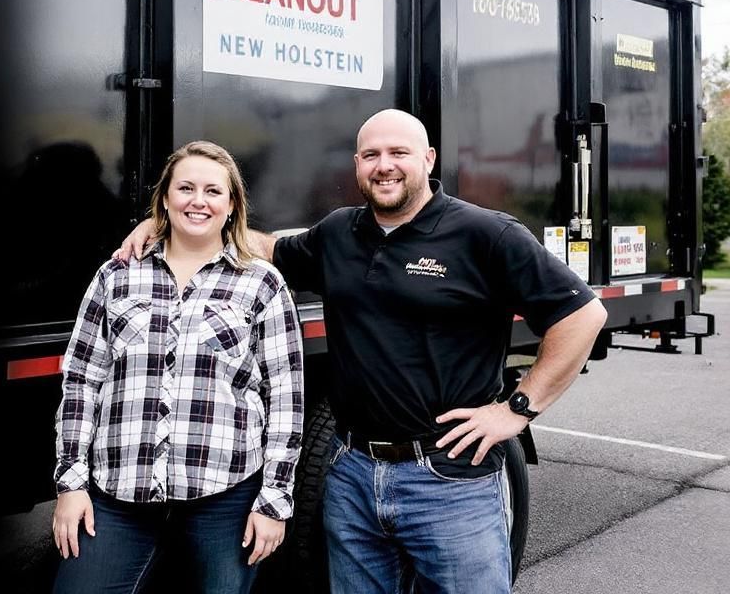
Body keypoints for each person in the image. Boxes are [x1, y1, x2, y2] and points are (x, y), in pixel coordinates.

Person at [118, 110, 607, 593]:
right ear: (356, 165)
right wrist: (167, 227)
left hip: (447, 480)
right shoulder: (339, 232)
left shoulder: (485, 234)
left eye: (399, 152)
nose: (384, 165)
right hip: (351, 475)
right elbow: (266, 248)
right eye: (371, 155)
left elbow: (583, 315)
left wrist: (516, 409)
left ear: (428, 158)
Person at [52, 141, 304, 594]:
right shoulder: (117, 275)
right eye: (185, 188)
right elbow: (82, 380)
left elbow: (286, 397)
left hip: (224, 496)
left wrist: (274, 501)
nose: (198, 200)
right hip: (118, 494)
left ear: (232, 206)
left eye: (213, 191)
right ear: (165, 198)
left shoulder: (262, 283)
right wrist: (71, 484)